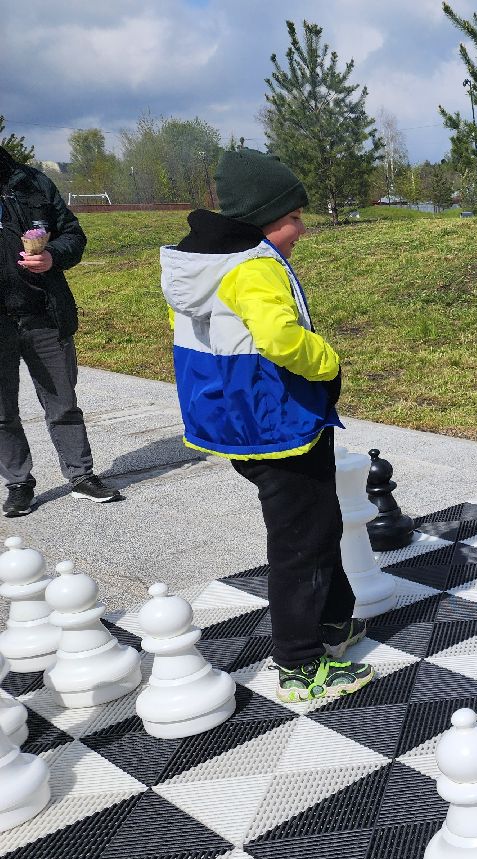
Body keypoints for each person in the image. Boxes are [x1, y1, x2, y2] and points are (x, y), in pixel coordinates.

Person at [160, 148, 371, 703]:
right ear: (263, 218)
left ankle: (334, 622)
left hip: (237, 420)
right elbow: (279, 339)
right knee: (300, 542)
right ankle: (299, 666)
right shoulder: (252, 267)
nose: (301, 229)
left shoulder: (203, 261)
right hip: (276, 423)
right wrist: (327, 360)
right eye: (294, 218)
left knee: (317, 522)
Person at [0, 145, 121, 516]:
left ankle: (81, 476)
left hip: (44, 312)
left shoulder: (32, 181)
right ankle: (19, 483)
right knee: (2, 411)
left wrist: (52, 255)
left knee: (63, 402)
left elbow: (73, 234)